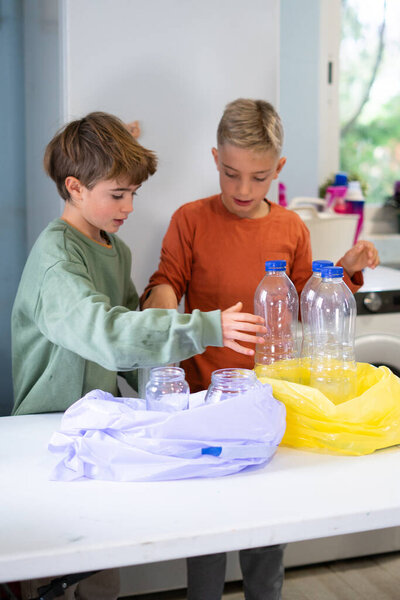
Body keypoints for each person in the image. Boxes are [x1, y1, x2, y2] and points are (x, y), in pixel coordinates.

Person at [11, 111, 267, 600]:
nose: (129, 206)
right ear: (75, 187)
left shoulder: (114, 249)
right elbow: (109, 335)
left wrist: (186, 400)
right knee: (58, 578)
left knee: (103, 573)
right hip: (49, 433)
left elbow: (131, 352)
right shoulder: (56, 260)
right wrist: (206, 326)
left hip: (98, 427)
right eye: (117, 194)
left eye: (133, 193)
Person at [141, 98, 380, 600]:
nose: (243, 189)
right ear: (214, 159)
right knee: (206, 532)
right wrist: (160, 308)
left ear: (279, 168)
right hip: (206, 399)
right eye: (230, 174)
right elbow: (166, 282)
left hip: (270, 401)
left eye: (258, 176)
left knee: (268, 531)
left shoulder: (290, 228)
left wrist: (346, 267)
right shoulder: (190, 220)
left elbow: (304, 301)